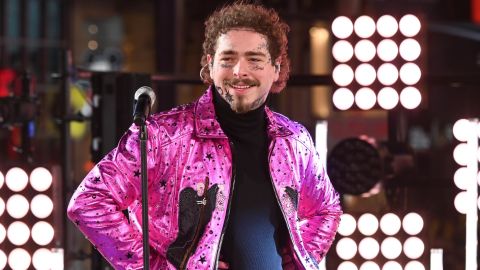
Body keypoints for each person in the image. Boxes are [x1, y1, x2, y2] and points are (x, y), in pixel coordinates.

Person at [67, 3, 342, 270]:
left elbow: (326, 210)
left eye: (255, 59)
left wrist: (297, 261)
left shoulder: (294, 141)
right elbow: (90, 201)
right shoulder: (162, 137)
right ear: (210, 65)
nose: (239, 71)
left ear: (277, 68)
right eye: (228, 59)